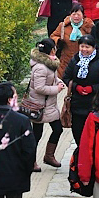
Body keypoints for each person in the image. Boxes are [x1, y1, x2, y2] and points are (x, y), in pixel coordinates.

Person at [62, 34, 99, 148]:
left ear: (93, 48)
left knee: (94, 136)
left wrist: (93, 88)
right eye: (82, 46)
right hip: (77, 104)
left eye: (87, 47)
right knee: (78, 134)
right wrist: (76, 87)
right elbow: (66, 77)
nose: (84, 50)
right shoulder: (75, 60)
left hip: (94, 104)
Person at [27, 38, 65, 169]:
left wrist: (59, 81)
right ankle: (31, 161)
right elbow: (39, 87)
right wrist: (57, 89)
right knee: (37, 134)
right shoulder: (41, 67)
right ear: (51, 49)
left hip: (48, 105)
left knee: (57, 129)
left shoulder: (49, 62)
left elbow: (52, 77)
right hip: (40, 105)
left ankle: (49, 156)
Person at [50, 3, 94, 78]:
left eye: (78, 14)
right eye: (74, 14)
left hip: (84, 62)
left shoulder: (88, 26)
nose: (76, 17)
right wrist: (58, 41)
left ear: (83, 15)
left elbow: (94, 41)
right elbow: (53, 36)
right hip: (65, 61)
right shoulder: (63, 26)